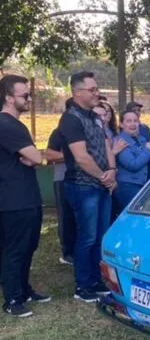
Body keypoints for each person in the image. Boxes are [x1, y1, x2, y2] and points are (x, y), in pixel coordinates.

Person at [58, 71, 116, 302]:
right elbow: (81, 157)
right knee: (87, 237)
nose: (97, 93)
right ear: (77, 92)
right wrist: (104, 176)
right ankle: (82, 286)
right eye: (92, 90)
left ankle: (95, 279)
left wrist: (113, 171)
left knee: (100, 236)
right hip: (83, 187)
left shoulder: (95, 116)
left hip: (101, 185)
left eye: (97, 88)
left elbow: (106, 144)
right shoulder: (70, 119)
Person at [0, 74, 49, 317]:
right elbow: (37, 157)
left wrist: (35, 159)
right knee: (15, 250)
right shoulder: (7, 124)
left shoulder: (14, 124)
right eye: (25, 95)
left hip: (25, 197)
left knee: (28, 247)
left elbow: (33, 158)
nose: (29, 98)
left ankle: (24, 289)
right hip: (14, 200)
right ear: (9, 98)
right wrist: (40, 159)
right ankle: (12, 300)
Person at [45, 103, 76, 266]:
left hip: (79, 179)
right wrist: (73, 155)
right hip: (62, 179)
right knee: (65, 217)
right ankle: (67, 253)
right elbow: (49, 155)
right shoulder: (59, 132)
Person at [114, 111, 150, 213]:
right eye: (128, 121)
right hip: (127, 187)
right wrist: (148, 150)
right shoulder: (120, 141)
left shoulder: (142, 139)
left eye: (135, 121)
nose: (133, 124)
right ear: (121, 124)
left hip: (143, 184)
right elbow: (133, 165)